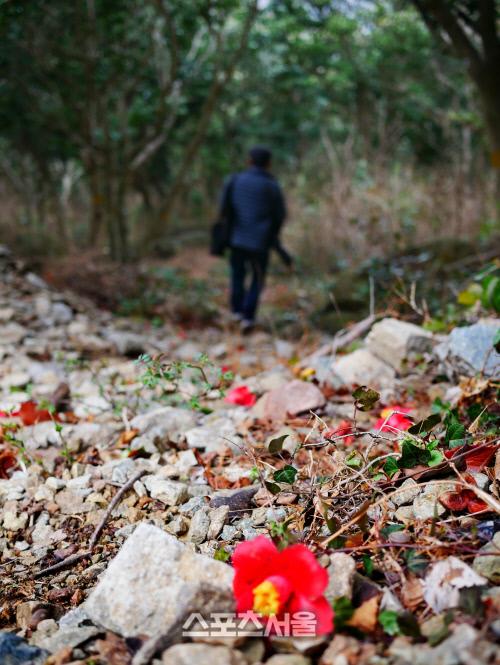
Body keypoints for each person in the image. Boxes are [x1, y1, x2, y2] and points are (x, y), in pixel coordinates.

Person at [219, 146, 289, 332]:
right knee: (257, 279)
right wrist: (272, 236)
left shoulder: (235, 181)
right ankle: (248, 317)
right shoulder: (272, 186)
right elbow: (280, 215)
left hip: (237, 239)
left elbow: (224, 210)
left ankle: (237, 312)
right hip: (261, 242)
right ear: (268, 163)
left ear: (249, 161)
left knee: (237, 275)